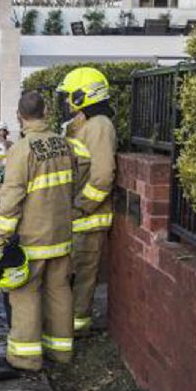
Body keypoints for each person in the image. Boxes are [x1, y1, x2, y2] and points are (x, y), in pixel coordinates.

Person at [0, 91, 75, 371]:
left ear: (19, 116)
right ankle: (61, 351)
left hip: (32, 239)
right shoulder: (64, 144)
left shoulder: (22, 150)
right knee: (59, 291)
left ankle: (26, 358)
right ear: (46, 111)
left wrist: (1, 237)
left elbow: (11, 196)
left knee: (25, 294)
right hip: (61, 235)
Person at [57, 67, 117, 335]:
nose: (66, 102)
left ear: (83, 96)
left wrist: (81, 206)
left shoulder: (100, 127)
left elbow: (102, 177)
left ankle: (76, 329)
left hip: (88, 220)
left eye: (69, 96)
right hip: (76, 218)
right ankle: (65, 326)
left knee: (82, 279)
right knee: (71, 276)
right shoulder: (83, 126)